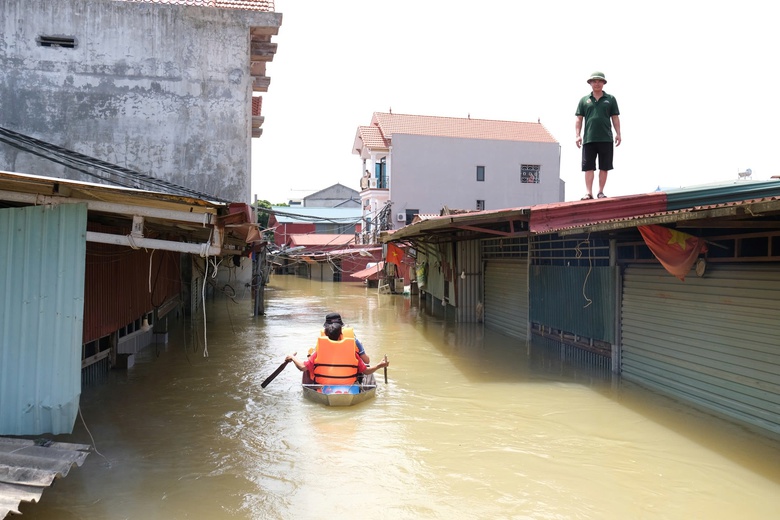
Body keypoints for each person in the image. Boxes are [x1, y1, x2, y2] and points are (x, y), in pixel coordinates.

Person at [287, 322, 389, 392]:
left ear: (326, 336)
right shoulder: (352, 352)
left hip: (323, 388)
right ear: (341, 335)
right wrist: (380, 365)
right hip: (349, 388)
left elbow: (302, 367)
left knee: (309, 369)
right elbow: (366, 371)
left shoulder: (318, 352)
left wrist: (292, 357)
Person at [575, 71, 621, 200]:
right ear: (590, 83)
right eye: (594, 81)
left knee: (604, 166)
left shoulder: (610, 99)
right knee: (588, 166)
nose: (597, 83)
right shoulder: (584, 100)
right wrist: (577, 135)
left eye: (600, 81)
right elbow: (579, 119)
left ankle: (600, 191)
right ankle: (588, 193)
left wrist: (618, 134)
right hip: (589, 138)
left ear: (603, 83)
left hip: (606, 138)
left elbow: (615, 117)